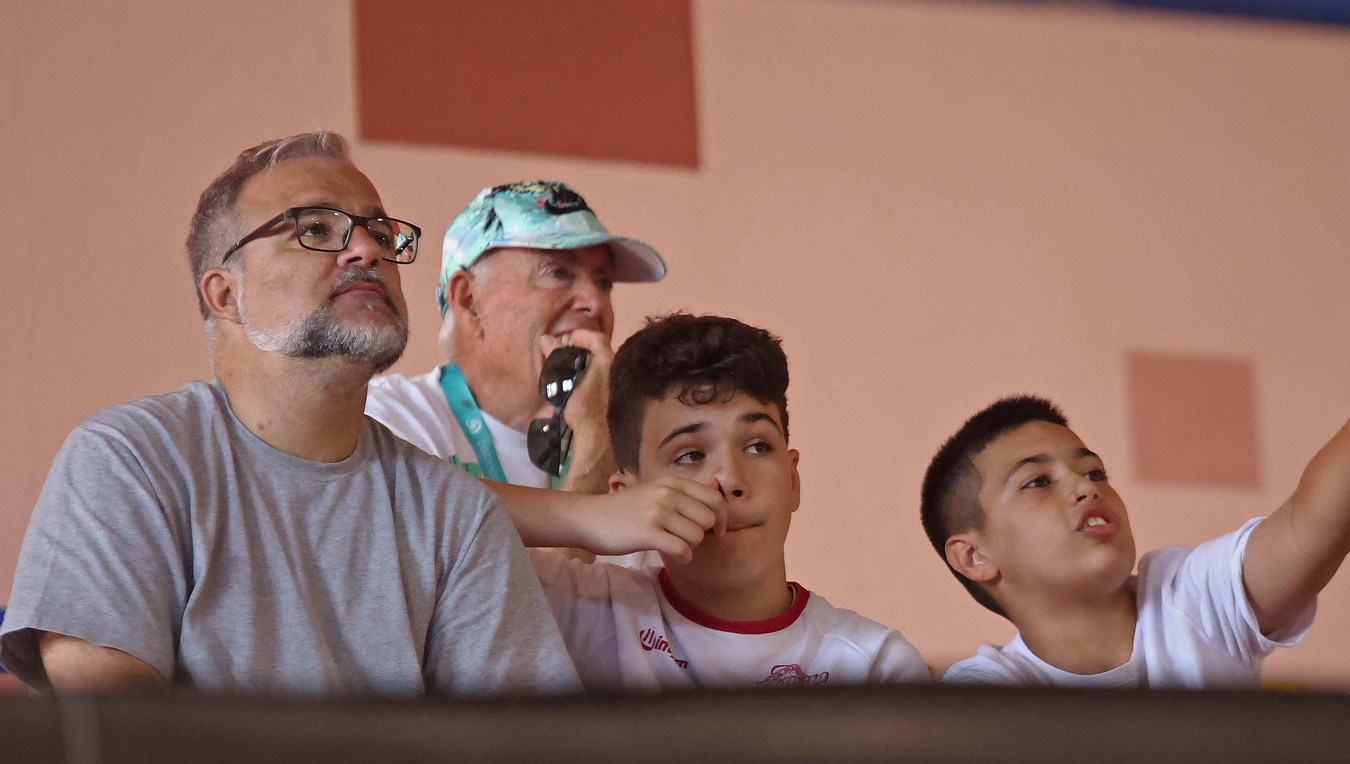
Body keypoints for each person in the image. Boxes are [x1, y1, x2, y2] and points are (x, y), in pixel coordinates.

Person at [0, 132, 577, 695]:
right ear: (225, 294)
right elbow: (115, 753)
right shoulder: (129, 461)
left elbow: (528, 763)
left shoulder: (459, 513)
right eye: (316, 229)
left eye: (379, 232)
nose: (367, 249)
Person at [920, 367, 1350, 686]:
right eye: (1037, 482)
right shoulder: (987, 695)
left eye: (1092, 470)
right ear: (974, 557)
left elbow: (1305, 531)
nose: (1084, 486)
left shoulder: (1185, 596)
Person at [487, 314, 930, 687]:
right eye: (690, 455)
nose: (731, 480)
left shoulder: (877, 667)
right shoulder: (581, 609)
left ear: (793, 480)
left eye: (758, 446)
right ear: (625, 498)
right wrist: (587, 517)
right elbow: (419, 505)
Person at [365, 180, 666, 494]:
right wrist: (596, 447)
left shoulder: (638, 439)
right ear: (469, 300)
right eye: (558, 273)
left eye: (603, 282)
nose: (595, 301)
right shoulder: (389, 423)